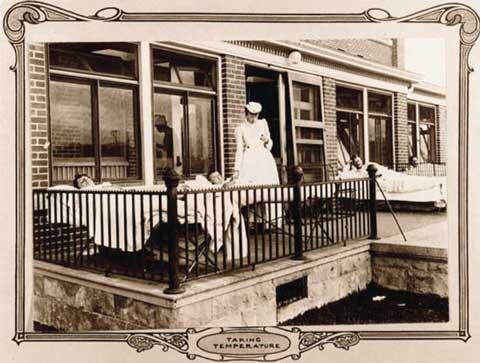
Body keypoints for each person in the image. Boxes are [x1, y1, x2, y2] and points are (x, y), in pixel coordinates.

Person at [232, 102, 280, 185]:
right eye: (251, 116)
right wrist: (237, 169)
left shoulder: (263, 124)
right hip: (250, 158)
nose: (253, 119)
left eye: (256, 116)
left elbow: (269, 145)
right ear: (246, 114)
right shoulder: (240, 128)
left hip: (264, 157)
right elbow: (239, 150)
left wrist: (267, 140)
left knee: (266, 182)